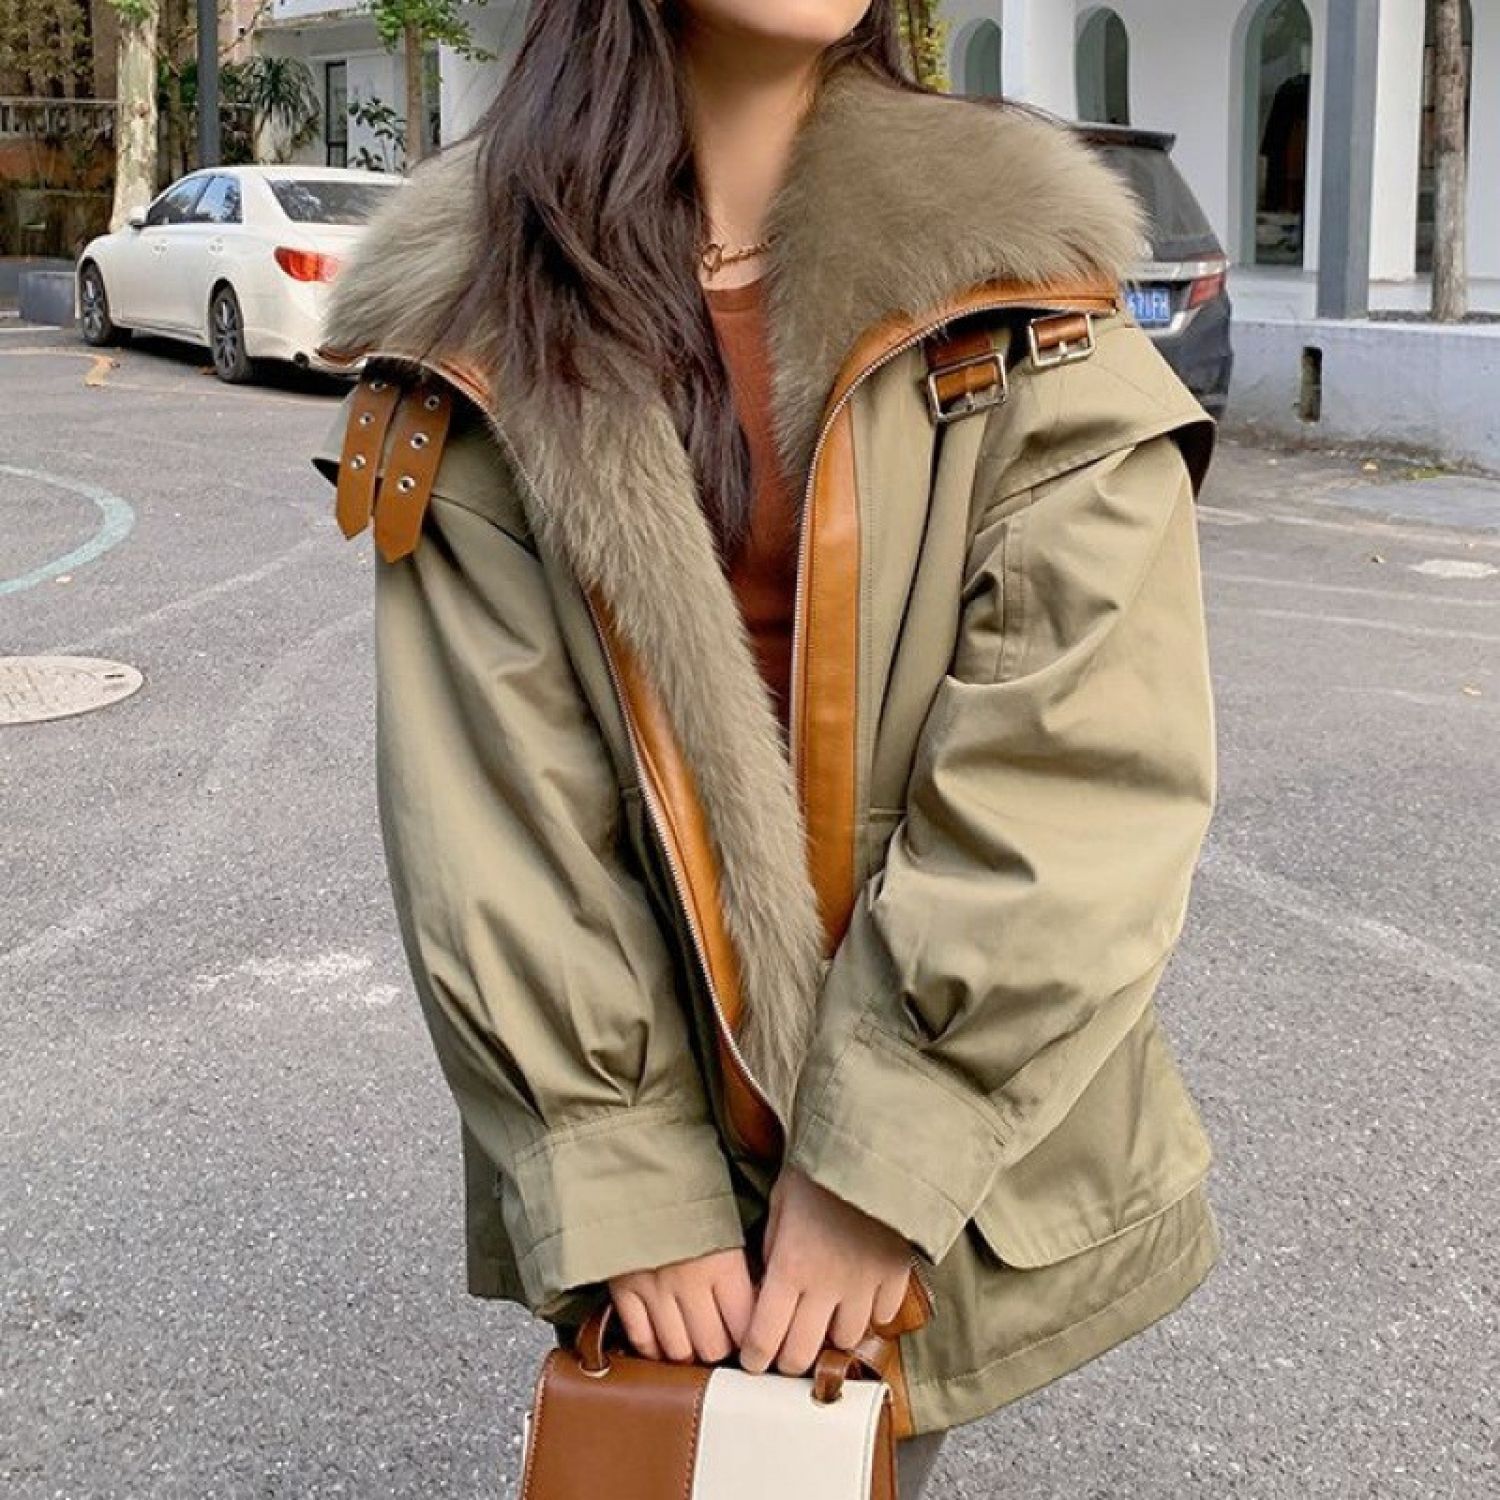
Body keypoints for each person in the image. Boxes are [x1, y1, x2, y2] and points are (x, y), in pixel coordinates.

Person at [315, 2, 1223, 1494]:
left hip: (929, 1147)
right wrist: (620, 1165)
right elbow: (488, 797)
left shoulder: (1008, 270)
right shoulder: (475, 311)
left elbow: (1083, 752)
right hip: (653, 1120)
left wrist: (886, 1154)